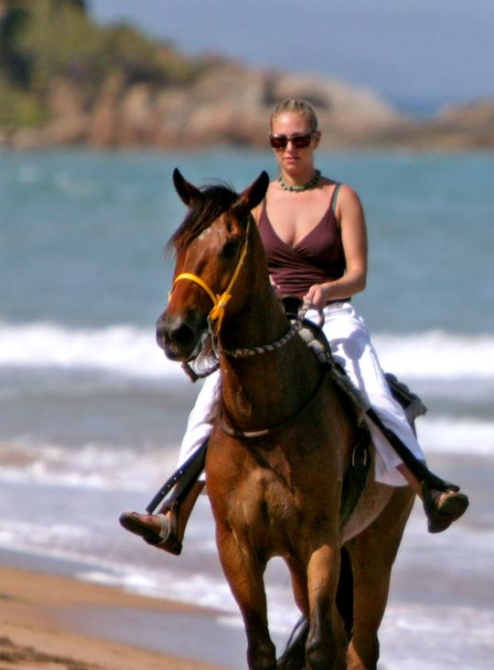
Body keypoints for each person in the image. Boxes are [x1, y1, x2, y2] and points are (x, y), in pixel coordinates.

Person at [119, 98, 469, 552]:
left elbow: (358, 275)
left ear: (315, 140)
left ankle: (428, 490)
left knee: (375, 396)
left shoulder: (342, 198)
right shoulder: (255, 206)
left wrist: (329, 288)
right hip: (273, 321)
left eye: (299, 140)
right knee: (206, 408)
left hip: (331, 315)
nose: (290, 149)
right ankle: (172, 516)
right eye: (280, 140)